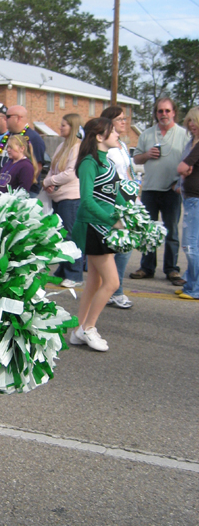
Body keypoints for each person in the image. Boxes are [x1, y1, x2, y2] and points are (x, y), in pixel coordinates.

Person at [69, 118, 127, 352]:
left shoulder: (109, 162)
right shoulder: (88, 163)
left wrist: (133, 215)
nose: (118, 134)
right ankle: (88, 328)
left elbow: (117, 195)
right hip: (93, 227)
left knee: (96, 282)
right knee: (112, 282)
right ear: (100, 137)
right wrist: (113, 221)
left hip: (105, 227)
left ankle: (78, 329)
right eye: (113, 131)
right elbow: (86, 201)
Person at [131, 97, 188, 286]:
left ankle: (171, 269)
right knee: (148, 231)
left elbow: (190, 162)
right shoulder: (147, 134)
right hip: (149, 189)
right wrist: (147, 155)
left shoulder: (184, 135)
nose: (164, 114)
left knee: (171, 231)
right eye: (160, 111)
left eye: (167, 110)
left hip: (172, 190)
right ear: (156, 113)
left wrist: (179, 184)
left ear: (174, 112)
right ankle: (146, 267)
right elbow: (136, 159)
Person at [100, 106, 138, 309]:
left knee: (123, 246)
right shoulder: (108, 148)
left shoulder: (121, 144)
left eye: (125, 118)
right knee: (120, 247)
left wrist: (136, 198)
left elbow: (128, 173)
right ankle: (115, 290)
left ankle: (111, 288)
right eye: (119, 119)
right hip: (114, 201)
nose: (124, 122)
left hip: (128, 200)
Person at [42, 113, 83, 288]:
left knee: (70, 235)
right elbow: (53, 169)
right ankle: (63, 269)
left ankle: (75, 274)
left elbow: (71, 173)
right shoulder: (61, 146)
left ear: (72, 127)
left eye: (64, 125)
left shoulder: (77, 147)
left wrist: (49, 181)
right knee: (60, 234)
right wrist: (47, 182)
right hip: (57, 196)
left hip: (71, 197)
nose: (60, 127)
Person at [176, 107, 199, 300]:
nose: (192, 124)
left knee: (190, 246)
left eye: (196, 121)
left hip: (196, 200)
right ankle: (191, 283)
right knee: (193, 245)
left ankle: (195, 288)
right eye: (190, 121)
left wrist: (184, 170)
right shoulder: (191, 143)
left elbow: (181, 166)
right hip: (189, 197)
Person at [4, 106, 46, 194]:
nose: (5, 119)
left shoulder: (33, 138)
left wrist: (22, 190)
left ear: (18, 118)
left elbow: (37, 167)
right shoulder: (8, 137)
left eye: (8, 116)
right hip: (5, 190)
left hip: (25, 192)